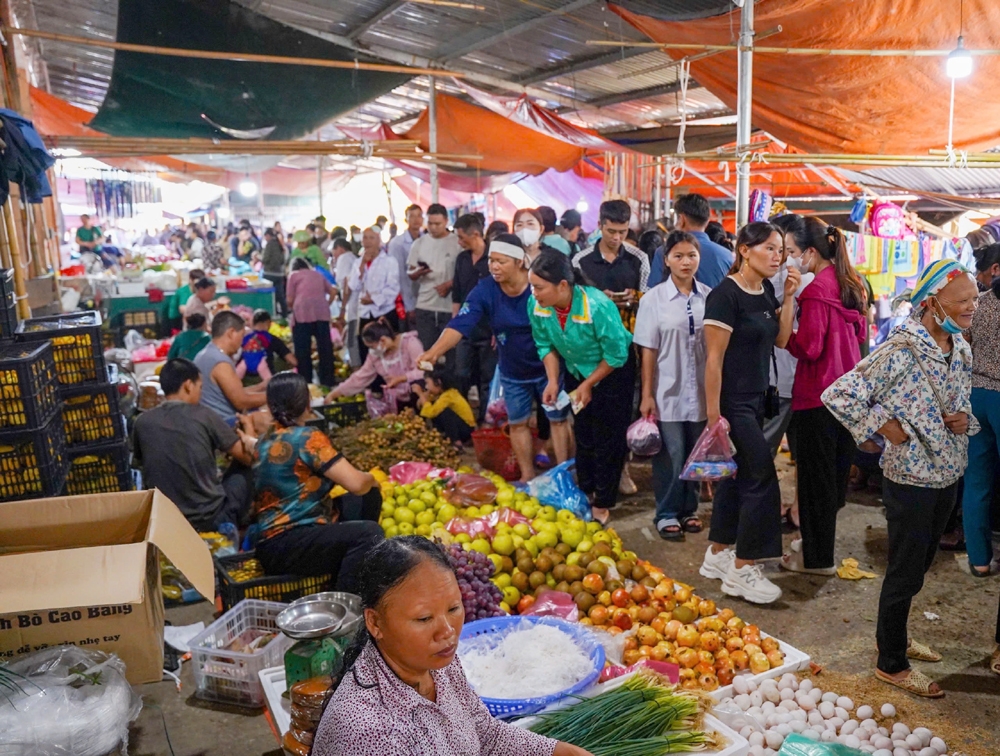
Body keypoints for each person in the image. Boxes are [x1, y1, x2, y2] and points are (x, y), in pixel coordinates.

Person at [823, 260, 979, 698]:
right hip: (910, 477)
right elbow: (839, 393)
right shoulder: (901, 349)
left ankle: (896, 635)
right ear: (932, 304)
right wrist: (881, 424)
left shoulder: (960, 347)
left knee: (919, 568)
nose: (971, 307)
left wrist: (965, 420)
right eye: (962, 301)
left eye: (973, 300)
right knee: (904, 570)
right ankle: (891, 662)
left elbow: (962, 400)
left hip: (949, 472)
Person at [311, 536, 592, 756]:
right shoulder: (369, 729)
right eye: (424, 618)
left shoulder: (436, 664)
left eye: (454, 608)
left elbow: (486, 736)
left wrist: (558, 751)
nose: (447, 631)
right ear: (375, 623)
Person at [699, 222, 800, 604]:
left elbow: (781, 339)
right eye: (770, 249)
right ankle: (743, 568)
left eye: (781, 250)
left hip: (758, 399)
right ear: (744, 249)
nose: (778, 256)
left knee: (737, 476)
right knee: (761, 477)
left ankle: (718, 551)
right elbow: (713, 360)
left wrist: (789, 297)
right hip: (732, 402)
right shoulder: (725, 296)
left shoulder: (766, 291)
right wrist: (713, 416)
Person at [419, 235, 571, 482]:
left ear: (520, 262)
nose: (494, 267)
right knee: (518, 423)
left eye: (501, 261)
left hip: (548, 367)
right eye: (491, 260)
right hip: (512, 370)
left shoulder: (539, 286)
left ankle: (564, 475)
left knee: (558, 420)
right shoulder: (486, 289)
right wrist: (434, 352)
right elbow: (461, 323)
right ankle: (527, 477)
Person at [778, 218, 867, 576]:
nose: (788, 259)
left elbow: (811, 346)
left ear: (811, 252)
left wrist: (784, 334)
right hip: (848, 397)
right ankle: (819, 550)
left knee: (815, 483)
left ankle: (817, 561)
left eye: (792, 252)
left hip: (818, 396)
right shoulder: (851, 283)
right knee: (833, 479)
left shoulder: (815, 291)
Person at [528, 250, 633, 524]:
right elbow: (545, 344)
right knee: (584, 431)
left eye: (539, 287)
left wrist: (589, 384)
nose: (534, 293)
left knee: (608, 438)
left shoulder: (597, 306)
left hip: (613, 372)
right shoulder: (537, 305)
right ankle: (586, 490)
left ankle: (604, 501)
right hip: (577, 370)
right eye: (532, 286)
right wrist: (553, 380)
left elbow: (617, 354)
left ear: (563, 285)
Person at [252, 372, 383, 592]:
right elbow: (356, 483)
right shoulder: (307, 437)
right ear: (306, 402)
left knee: (364, 499)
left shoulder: (264, 440)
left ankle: (341, 574)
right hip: (291, 544)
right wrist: (373, 478)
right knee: (370, 533)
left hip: (270, 546)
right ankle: (345, 604)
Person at [634, 231, 712, 540]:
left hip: (702, 391)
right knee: (672, 453)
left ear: (698, 258)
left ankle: (689, 509)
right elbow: (648, 349)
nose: (685, 261)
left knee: (695, 452)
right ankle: (666, 512)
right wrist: (646, 394)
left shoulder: (708, 295)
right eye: (678, 256)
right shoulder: (653, 299)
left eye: (691, 255)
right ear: (666, 260)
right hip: (667, 389)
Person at [133, 358, 255, 531]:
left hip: (166, 519)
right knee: (246, 469)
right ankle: (232, 526)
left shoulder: (142, 422)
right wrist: (248, 427)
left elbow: (141, 463)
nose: (201, 393)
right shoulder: (204, 415)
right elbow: (249, 457)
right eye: (200, 387)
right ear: (188, 385)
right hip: (209, 517)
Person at [962, 264, 1000, 576]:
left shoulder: (980, 303)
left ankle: (979, 560)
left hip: (976, 395)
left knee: (976, 481)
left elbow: (962, 344)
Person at [452, 213, 496, 422]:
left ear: (476, 234)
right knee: (461, 374)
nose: (459, 242)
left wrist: (498, 328)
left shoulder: (494, 258)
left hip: (489, 329)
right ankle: (464, 422)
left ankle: (485, 421)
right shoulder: (461, 259)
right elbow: (457, 293)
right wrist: (454, 325)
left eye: (462, 237)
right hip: (466, 328)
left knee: (487, 378)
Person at [326, 320, 424, 406]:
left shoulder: (410, 343)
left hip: (419, 396)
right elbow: (360, 378)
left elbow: (423, 371)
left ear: (383, 340)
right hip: (397, 400)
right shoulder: (375, 355)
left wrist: (401, 379)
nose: (372, 350)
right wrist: (335, 393)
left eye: (372, 347)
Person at [407, 204, 460, 364]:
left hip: (449, 306)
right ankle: (429, 386)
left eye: (437, 224)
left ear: (446, 221)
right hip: (425, 305)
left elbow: (464, 274)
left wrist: (449, 284)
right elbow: (410, 271)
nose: (433, 227)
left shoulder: (457, 242)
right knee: (427, 352)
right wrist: (417, 273)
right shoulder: (419, 243)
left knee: (451, 354)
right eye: (430, 223)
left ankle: (450, 388)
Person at [194, 310, 269, 423]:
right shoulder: (220, 361)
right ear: (231, 333)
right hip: (224, 425)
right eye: (242, 335)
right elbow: (241, 401)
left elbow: (233, 392)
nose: (242, 341)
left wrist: (261, 386)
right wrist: (276, 396)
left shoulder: (204, 354)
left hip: (211, 421)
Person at [649, 193, 734, 289]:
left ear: (681, 219)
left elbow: (655, 293)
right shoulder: (726, 255)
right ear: (707, 221)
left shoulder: (664, 252)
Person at [350, 226, 401, 362]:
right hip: (365, 313)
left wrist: (373, 299)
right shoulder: (357, 262)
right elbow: (353, 286)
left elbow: (393, 287)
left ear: (379, 240)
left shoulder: (390, 261)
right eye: (365, 238)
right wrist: (362, 266)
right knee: (367, 352)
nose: (367, 241)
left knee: (388, 352)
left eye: (371, 238)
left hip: (385, 312)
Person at [287, 257, 336, 386]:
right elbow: (332, 291)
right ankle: (328, 379)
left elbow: (289, 299)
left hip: (302, 313)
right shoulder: (318, 274)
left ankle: (305, 380)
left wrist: (294, 307)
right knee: (325, 348)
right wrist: (326, 303)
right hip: (321, 312)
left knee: (303, 349)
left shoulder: (293, 276)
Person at [414, 369, 476, 445]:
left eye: (427, 383)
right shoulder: (442, 394)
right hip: (461, 427)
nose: (426, 386)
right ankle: (440, 435)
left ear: (438, 382)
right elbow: (420, 404)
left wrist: (420, 393)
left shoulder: (448, 396)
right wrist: (425, 394)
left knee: (444, 411)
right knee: (434, 406)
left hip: (466, 430)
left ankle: (456, 441)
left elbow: (430, 412)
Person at [236, 309, 297, 381]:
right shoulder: (272, 339)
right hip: (266, 380)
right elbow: (292, 360)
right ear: (268, 323)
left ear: (253, 323)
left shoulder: (243, 338)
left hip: (244, 381)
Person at [388, 204, 423, 319]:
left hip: (425, 298)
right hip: (406, 301)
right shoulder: (397, 243)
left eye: (419, 216)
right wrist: (408, 305)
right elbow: (399, 276)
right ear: (406, 219)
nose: (416, 220)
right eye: (412, 216)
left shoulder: (427, 240)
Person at [261, 227, 288, 317]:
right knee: (280, 295)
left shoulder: (269, 245)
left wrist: (259, 257)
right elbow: (282, 260)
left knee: (270, 296)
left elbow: (265, 259)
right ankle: (284, 313)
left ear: (268, 236)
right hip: (279, 274)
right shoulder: (279, 244)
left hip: (269, 274)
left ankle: (273, 313)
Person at [167, 268, 205, 333]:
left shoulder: (199, 291)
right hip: (177, 320)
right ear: (190, 280)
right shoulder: (184, 291)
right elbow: (182, 309)